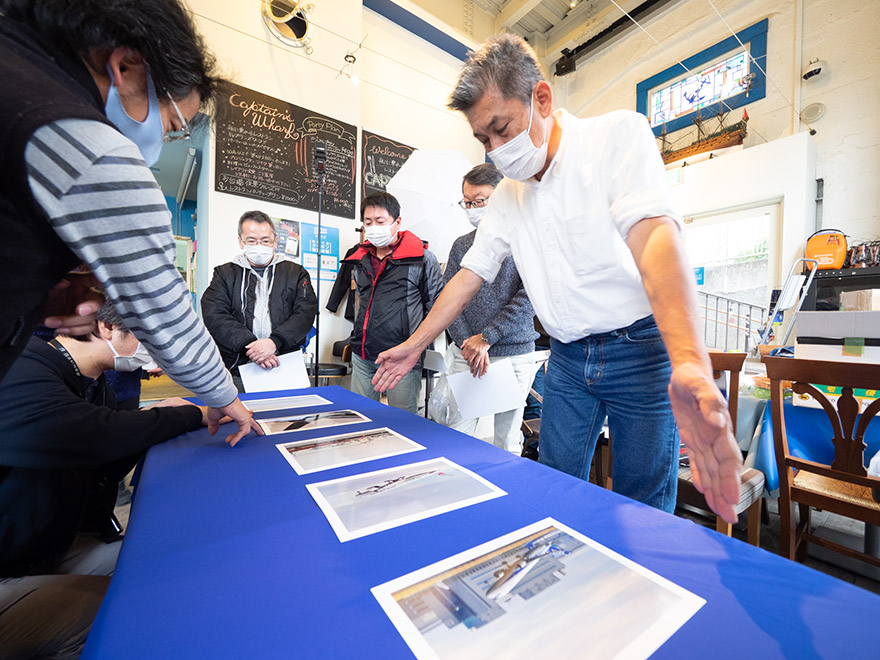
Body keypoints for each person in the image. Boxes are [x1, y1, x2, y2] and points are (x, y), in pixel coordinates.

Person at [372, 34, 742, 523]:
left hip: (640, 349)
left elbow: (654, 239)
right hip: (569, 358)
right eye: (484, 139)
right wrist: (417, 343)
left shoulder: (616, 138)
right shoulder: (507, 197)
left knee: (642, 501)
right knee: (554, 481)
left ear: (541, 99)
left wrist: (689, 362)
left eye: (501, 129)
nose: (497, 150)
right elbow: (467, 277)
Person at [0, 0, 261, 445]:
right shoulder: (89, 141)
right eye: (175, 124)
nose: (165, 137)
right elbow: (163, 310)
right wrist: (224, 397)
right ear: (128, 66)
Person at [0, 300, 225, 658]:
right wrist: (191, 414)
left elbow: (99, 464)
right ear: (106, 327)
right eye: (149, 335)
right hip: (11, 565)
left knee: (159, 561)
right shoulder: (22, 366)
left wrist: (151, 418)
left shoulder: (90, 384)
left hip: (42, 549)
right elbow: (91, 435)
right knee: (129, 610)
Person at [442, 163, 538, 453]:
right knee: (457, 432)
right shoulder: (461, 245)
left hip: (513, 352)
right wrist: (467, 343)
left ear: (501, 196)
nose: (472, 208)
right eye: (467, 202)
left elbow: (530, 298)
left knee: (506, 439)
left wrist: (487, 338)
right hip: (465, 353)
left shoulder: (526, 239)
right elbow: (448, 299)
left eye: (479, 200)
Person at [344, 192, 442, 413]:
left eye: (380, 221)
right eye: (368, 222)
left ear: (397, 222)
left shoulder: (423, 259)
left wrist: (416, 347)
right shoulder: (360, 259)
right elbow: (361, 302)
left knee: (402, 422)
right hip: (363, 354)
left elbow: (436, 307)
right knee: (360, 418)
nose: (373, 227)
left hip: (402, 358)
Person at [201, 211, 318, 392]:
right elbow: (215, 313)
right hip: (237, 367)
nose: (259, 246)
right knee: (240, 417)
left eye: (265, 240)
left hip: (284, 363)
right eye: (251, 241)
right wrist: (252, 347)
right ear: (240, 241)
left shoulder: (296, 273)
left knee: (289, 417)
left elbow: (305, 312)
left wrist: (273, 342)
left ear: (275, 241)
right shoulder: (224, 274)